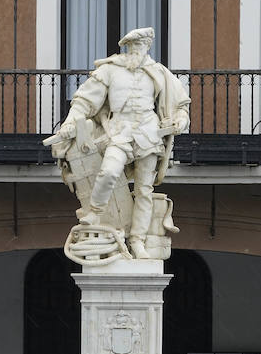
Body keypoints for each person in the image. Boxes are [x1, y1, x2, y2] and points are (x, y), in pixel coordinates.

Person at [47, 27, 190, 259]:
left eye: (141, 46)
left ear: (147, 47)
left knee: (144, 190)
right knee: (109, 172)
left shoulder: (159, 73)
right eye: (133, 46)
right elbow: (84, 102)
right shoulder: (110, 70)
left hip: (148, 132)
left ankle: (137, 241)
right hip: (119, 130)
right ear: (127, 47)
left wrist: (180, 122)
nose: (137, 51)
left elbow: (180, 106)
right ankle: (95, 212)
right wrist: (70, 123)